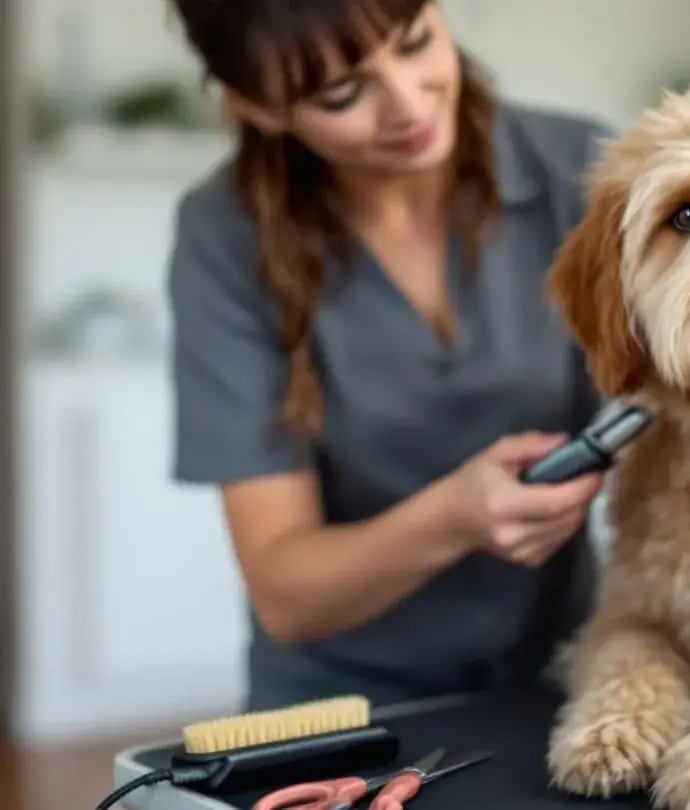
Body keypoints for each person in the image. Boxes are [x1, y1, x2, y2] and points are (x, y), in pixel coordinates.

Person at [165, 0, 615, 710]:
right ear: (258, 106)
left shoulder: (583, 172)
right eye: (341, 94)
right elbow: (285, 594)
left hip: (559, 681)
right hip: (339, 711)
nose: (406, 104)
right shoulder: (224, 237)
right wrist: (452, 518)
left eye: (416, 42)